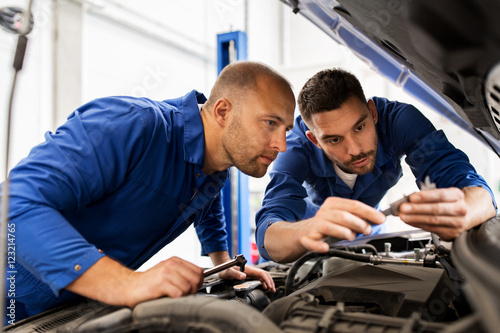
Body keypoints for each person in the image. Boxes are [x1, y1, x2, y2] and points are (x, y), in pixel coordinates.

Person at [1, 61, 296, 322]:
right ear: (222, 111)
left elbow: (207, 208)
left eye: (286, 129)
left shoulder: (215, 168)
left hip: (75, 306)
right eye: (270, 123)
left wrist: (223, 265)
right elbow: (14, 204)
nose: (281, 145)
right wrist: (125, 284)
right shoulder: (132, 125)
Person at [255, 68, 497, 263]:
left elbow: (476, 192)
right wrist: (307, 231)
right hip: (307, 250)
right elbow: (268, 234)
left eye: (360, 127)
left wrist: (463, 211)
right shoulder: (294, 150)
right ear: (315, 140)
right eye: (334, 139)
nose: (355, 149)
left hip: (371, 241)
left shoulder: (400, 122)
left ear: (372, 112)